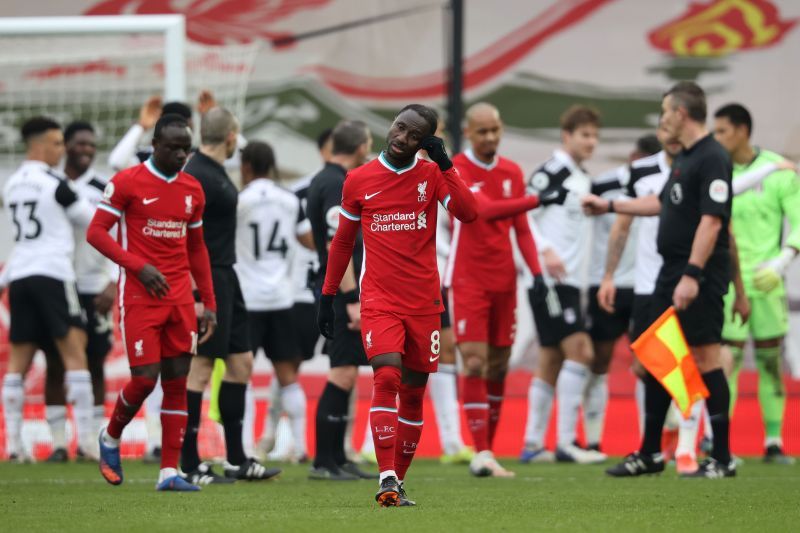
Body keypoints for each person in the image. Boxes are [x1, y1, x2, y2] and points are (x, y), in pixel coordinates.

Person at [318, 104, 478, 506]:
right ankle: (386, 477)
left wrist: (446, 164)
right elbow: (341, 243)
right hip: (380, 300)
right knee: (386, 377)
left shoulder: (431, 176)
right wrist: (328, 294)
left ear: (423, 142)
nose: (401, 137)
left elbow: (469, 212)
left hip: (425, 302)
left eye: (412, 135)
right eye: (399, 127)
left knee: (413, 392)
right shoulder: (358, 179)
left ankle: (398, 482)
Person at [592, 81, 736, 478]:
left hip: (697, 275)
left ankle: (722, 457)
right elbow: (659, 203)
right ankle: (651, 453)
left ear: (681, 114)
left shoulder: (712, 157)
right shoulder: (686, 158)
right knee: (655, 358)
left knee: (706, 358)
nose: (663, 120)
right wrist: (608, 204)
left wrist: (692, 274)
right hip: (670, 274)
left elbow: (712, 220)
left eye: (665, 112)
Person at [87, 113, 217, 491]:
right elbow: (96, 233)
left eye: (185, 150)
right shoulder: (127, 182)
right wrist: (138, 267)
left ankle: (169, 472)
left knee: (177, 382)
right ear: (155, 145)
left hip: (180, 299)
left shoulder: (193, 188)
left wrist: (207, 302)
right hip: (141, 297)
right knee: (145, 380)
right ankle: (110, 437)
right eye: (173, 148)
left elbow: (197, 248)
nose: (180, 155)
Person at [445, 103, 546, 477]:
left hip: (506, 279)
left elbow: (520, 226)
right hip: (468, 278)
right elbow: (482, 211)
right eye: (482, 131)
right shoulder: (454, 167)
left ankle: (489, 450)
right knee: (473, 361)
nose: (490, 138)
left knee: (500, 365)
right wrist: (539, 198)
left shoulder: (511, 171)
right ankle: (481, 451)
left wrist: (537, 272)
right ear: (469, 132)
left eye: (495, 130)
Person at [180, 108, 280, 483]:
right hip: (208, 281)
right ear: (232, 136)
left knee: (241, 364)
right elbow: (185, 237)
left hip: (227, 275)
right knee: (201, 368)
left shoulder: (213, 169)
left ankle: (237, 459)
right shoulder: (196, 173)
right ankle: (188, 463)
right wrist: (194, 289)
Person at [1, 117, 96, 462]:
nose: (62, 150)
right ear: (40, 145)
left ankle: (13, 446)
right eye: (57, 144)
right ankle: (85, 442)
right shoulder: (56, 183)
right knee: (76, 353)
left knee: (17, 363)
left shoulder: (12, 184)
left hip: (21, 277)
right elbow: (92, 221)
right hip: (54, 274)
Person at [713, 103, 800, 464]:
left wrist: (781, 262)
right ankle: (721, 444)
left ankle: (774, 442)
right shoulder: (714, 172)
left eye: (722, 131)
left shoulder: (779, 171)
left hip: (766, 282)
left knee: (768, 361)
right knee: (726, 360)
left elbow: (798, 222)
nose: (717, 139)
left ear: (743, 130)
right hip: (727, 280)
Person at [520, 105, 607, 465]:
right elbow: (523, 213)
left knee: (551, 360)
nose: (592, 142)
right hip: (550, 280)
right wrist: (545, 251)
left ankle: (532, 444)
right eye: (585, 135)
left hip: (570, 282)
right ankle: (567, 443)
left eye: (594, 135)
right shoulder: (552, 172)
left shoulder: (582, 178)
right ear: (566, 136)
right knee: (582, 352)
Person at [235, 141, 315, 463]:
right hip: (282, 298)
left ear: (247, 167)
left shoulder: (239, 202)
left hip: (248, 299)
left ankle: (241, 449)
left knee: (239, 374)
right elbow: (307, 240)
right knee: (288, 376)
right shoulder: (290, 200)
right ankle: (302, 446)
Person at [580, 134, 660, 453]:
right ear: (632, 157)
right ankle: (593, 439)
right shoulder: (602, 185)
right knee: (599, 361)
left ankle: (648, 442)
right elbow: (585, 221)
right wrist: (602, 274)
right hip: (609, 285)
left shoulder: (665, 186)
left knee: (649, 364)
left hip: (648, 285)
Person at [306, 120, 376, 481]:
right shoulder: (336, 183)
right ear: (362, 147)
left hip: (336, 290)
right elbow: (338, 244)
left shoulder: (324, 179)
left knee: (346, 374)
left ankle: (337, 458)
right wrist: (351, 298)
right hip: (340, 293)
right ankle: (324, 461)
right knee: (342, 373)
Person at [43, 121, 116, 462]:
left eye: (92, 144)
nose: (87, 149)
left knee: (96, 363)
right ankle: (59, 442)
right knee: (56, 363)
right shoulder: (49, 185)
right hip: (59, 284)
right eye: (81, 144)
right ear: (66, 146)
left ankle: (92, 440)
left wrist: (114, 279)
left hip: (94, 286)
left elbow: (121, 235)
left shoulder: (105, 188)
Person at [258, 128, 331, 461]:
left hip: (328, 292)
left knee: (341, 367)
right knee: (288, 367)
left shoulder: (361, 188)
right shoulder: (301, 192)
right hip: (303, 294)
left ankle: (332, 445)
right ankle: (275, 436)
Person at [425, 119, 473, 466]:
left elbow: (464, 213)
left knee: (447, 350)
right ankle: (372, 441)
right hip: (404, 276)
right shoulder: (394, 173)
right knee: (396, 360)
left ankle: (452, 441)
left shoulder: (443, 173)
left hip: (435, 274)